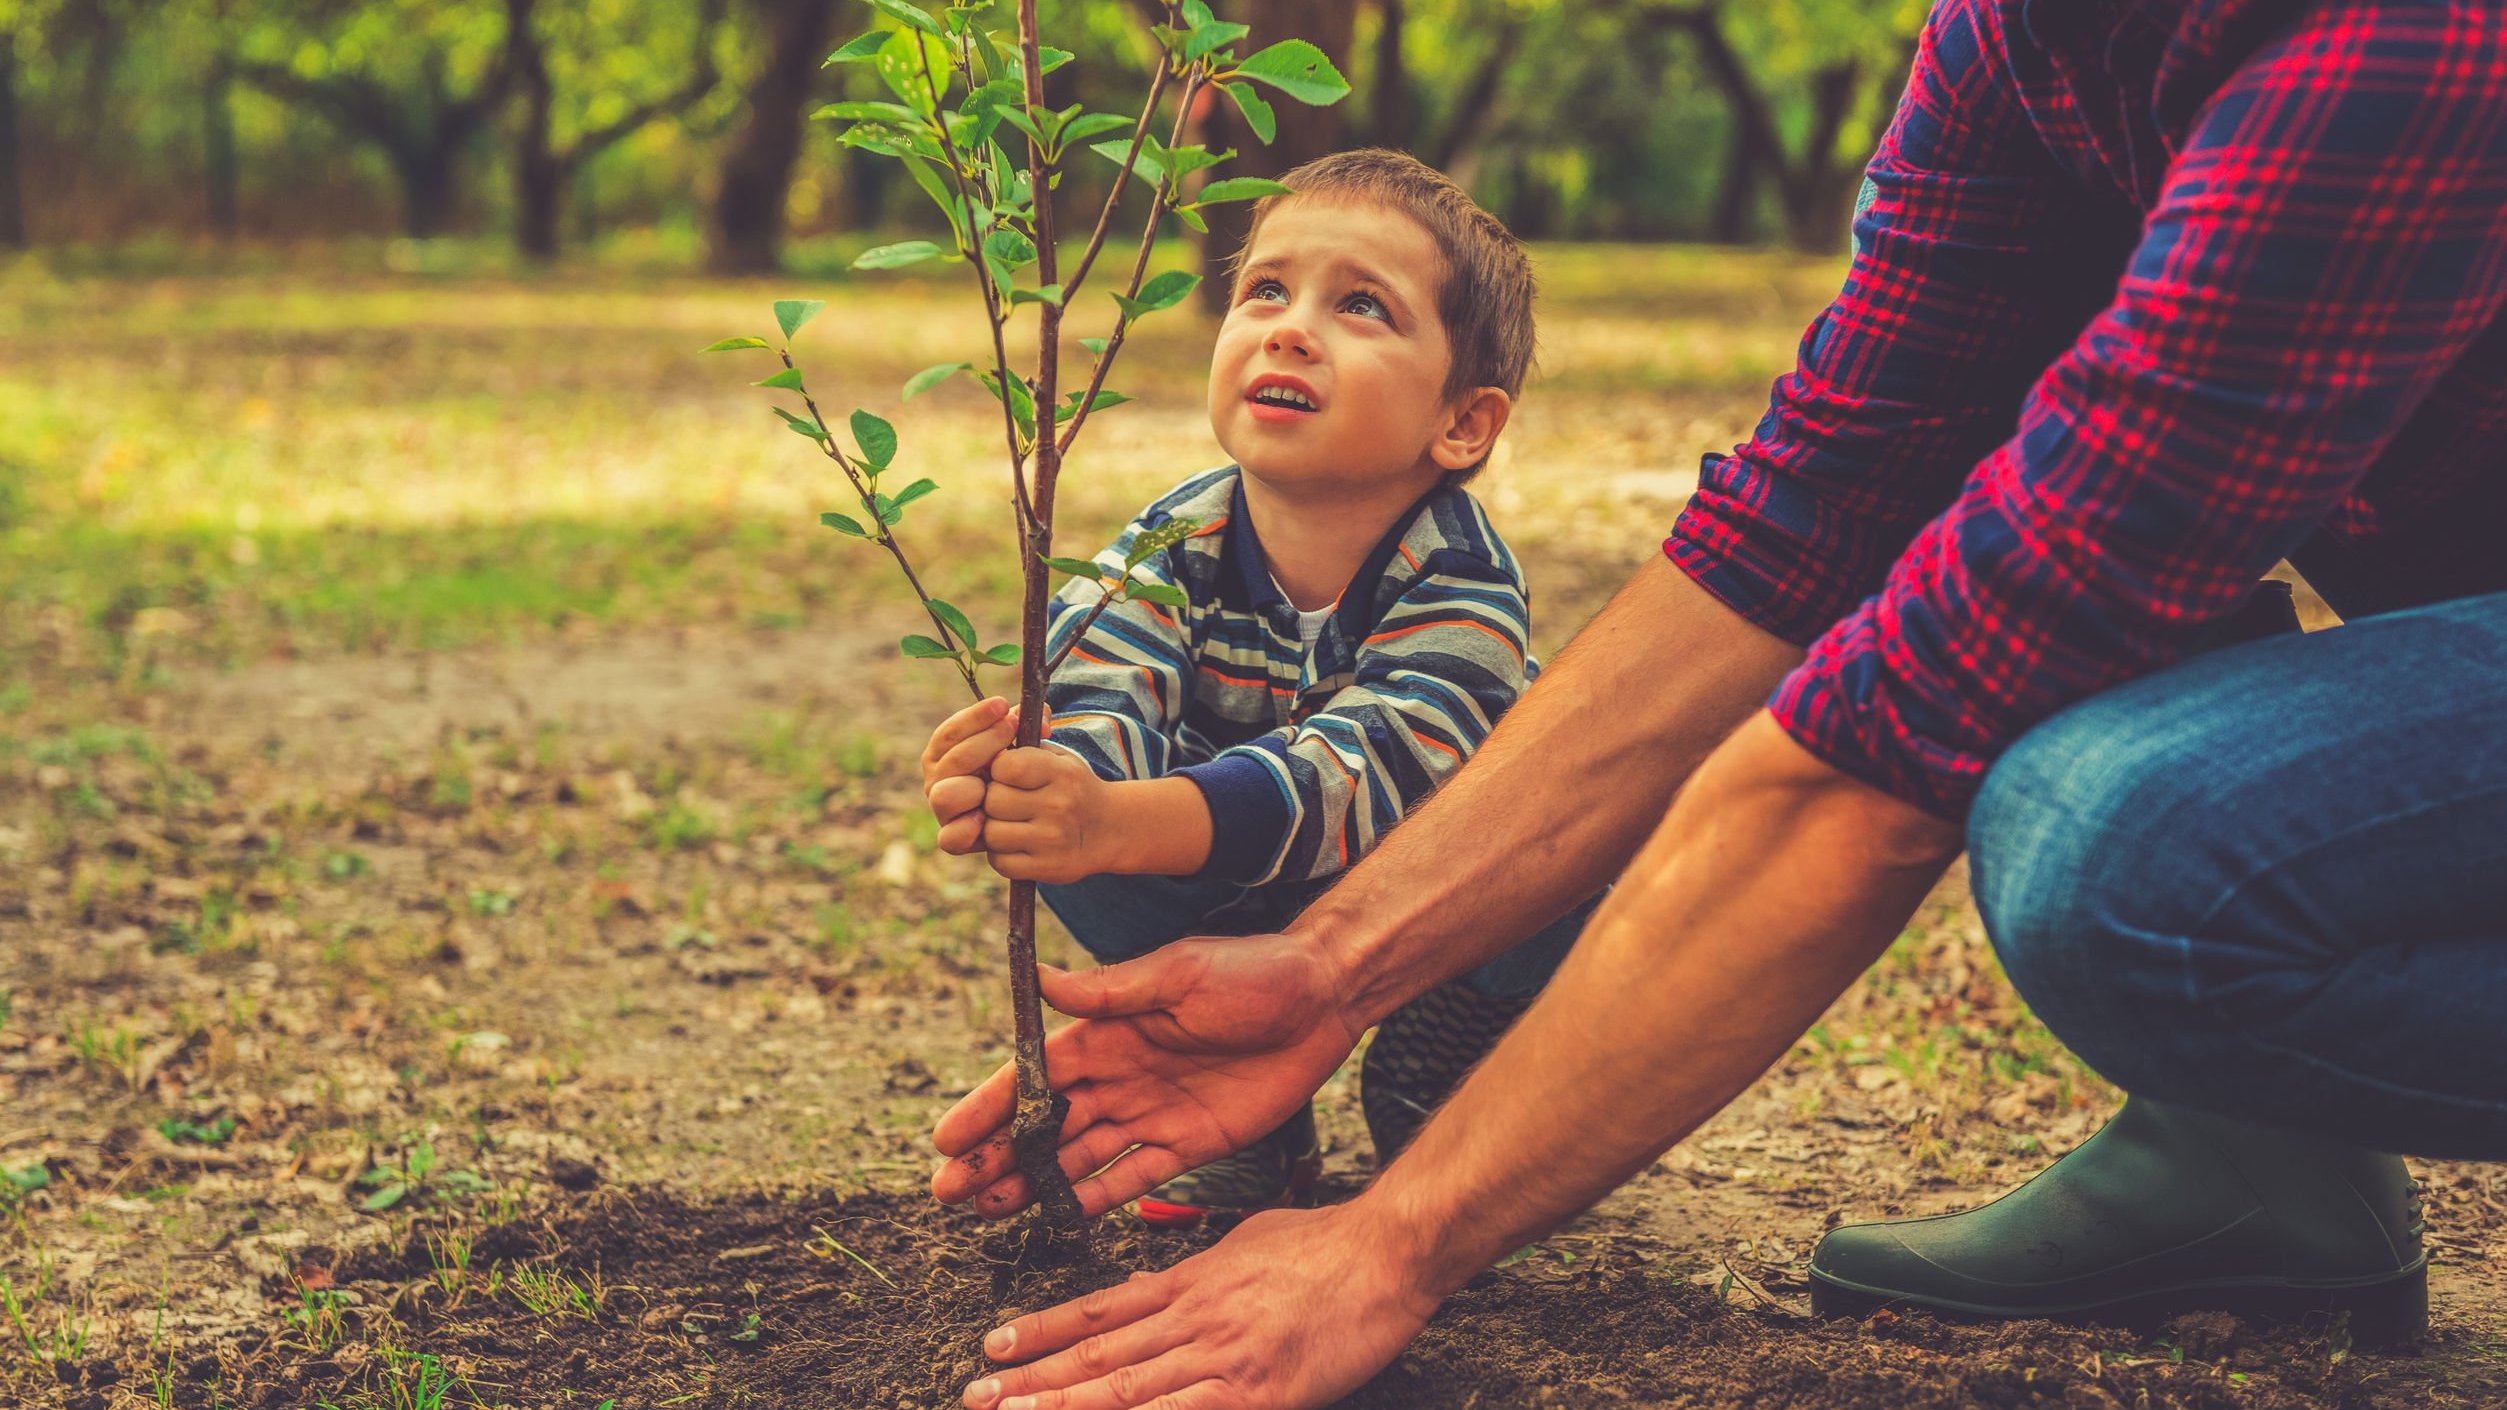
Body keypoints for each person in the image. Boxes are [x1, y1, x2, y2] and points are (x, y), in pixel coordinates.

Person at [926, 0, 2507, 1405]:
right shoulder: (2012, 44)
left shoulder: (2395, 39)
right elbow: (1814, 509)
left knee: (2121, 847)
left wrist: (1391, 1238)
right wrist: (1325, 968)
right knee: (2046, 532)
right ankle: (2254, 1162)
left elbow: (1904, 732)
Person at [920, 149, 1597, 1227]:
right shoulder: (1172, 541)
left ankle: (1453, 1048)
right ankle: (1245, 1102)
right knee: (1075, 839)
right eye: (1266, 290)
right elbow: (1099, 685)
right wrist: (1043, 787)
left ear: (1462, 422)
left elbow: (1364, 771)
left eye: (1361, 306)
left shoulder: (1462, 577)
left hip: (1425, 896)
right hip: (1228, 884)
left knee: (1578, 847)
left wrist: (1123, 818)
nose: (1289, 330)